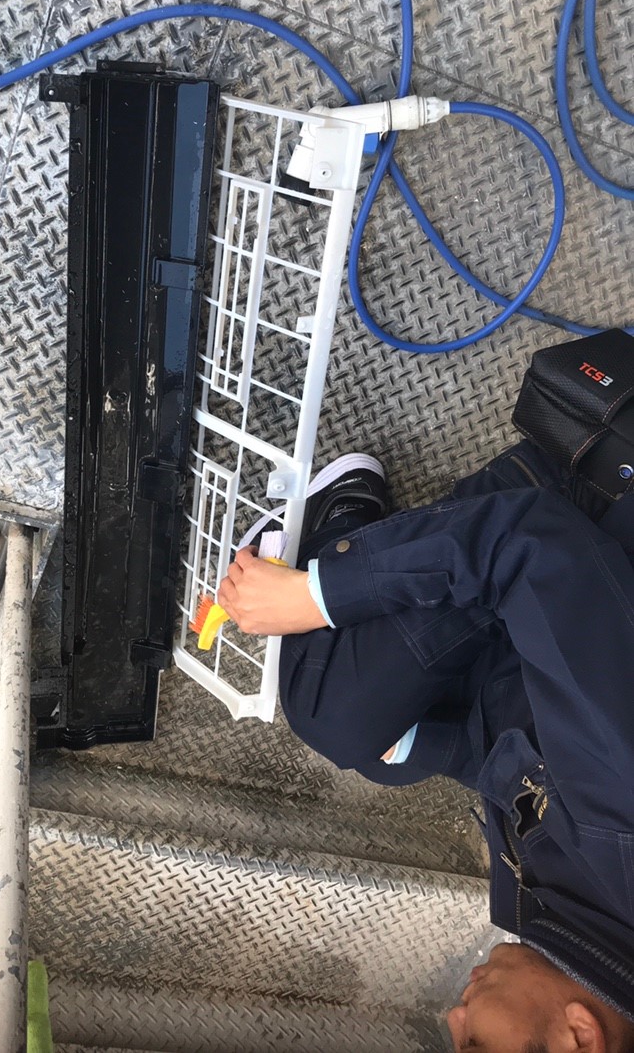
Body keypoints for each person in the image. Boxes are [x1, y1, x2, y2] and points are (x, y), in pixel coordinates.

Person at [216, 441, 634, 1053]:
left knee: (362, 733)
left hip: (538, 634)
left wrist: (427, 746)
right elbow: (538, 546)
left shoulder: (589, 932)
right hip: (583, 499)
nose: (453, 1019)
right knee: (331, 701)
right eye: (476, 1045)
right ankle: (323, 544)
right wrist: (323, 593)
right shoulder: (623, 827)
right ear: (580, 1036)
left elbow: (530, 765)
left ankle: (345, 534)